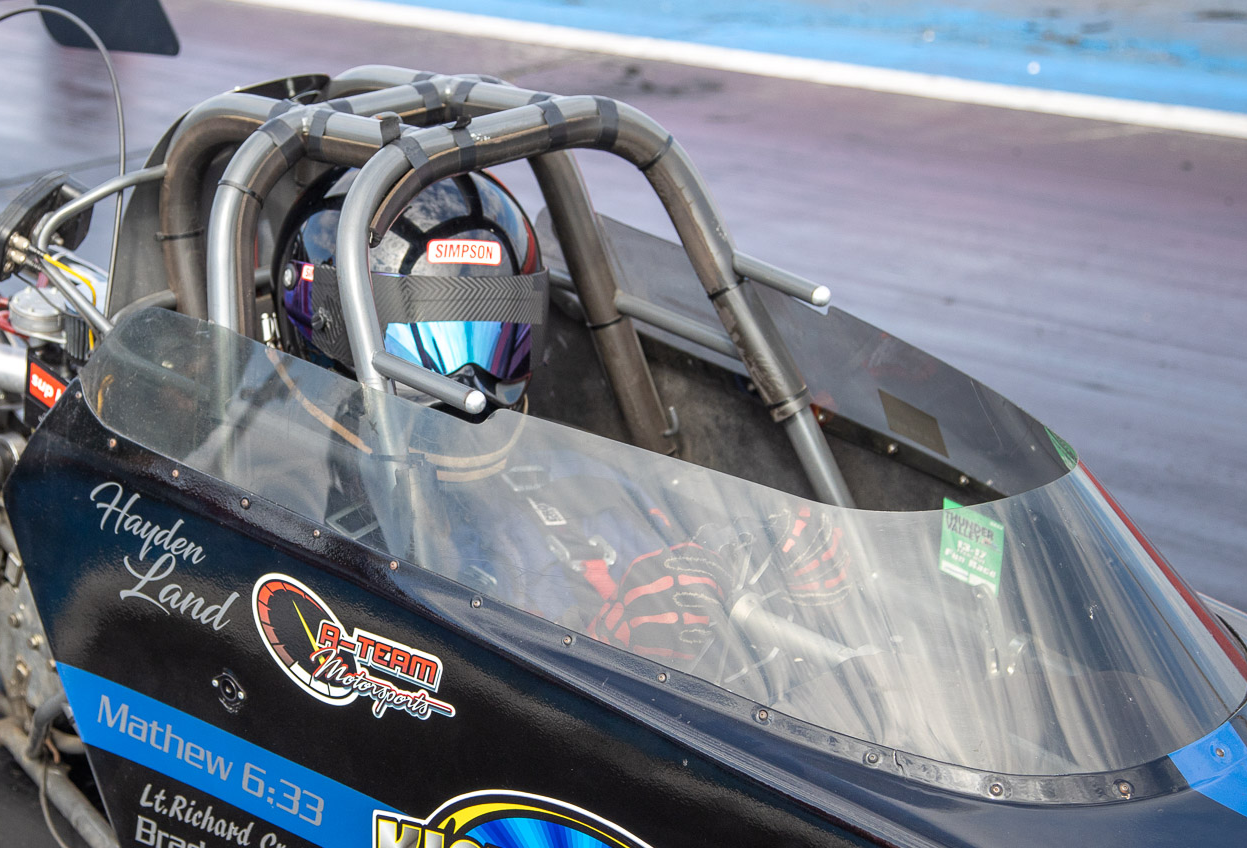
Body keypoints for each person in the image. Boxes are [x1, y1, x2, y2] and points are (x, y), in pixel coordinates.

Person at [273, 167, 850, 686]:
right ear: (325, 325)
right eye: (435, 334)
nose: (473, 379)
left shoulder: (574, 467)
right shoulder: (304, 513)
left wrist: (763, 556)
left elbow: (681, 558)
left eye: (490, 328)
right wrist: (614, 649)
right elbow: (433, 685)